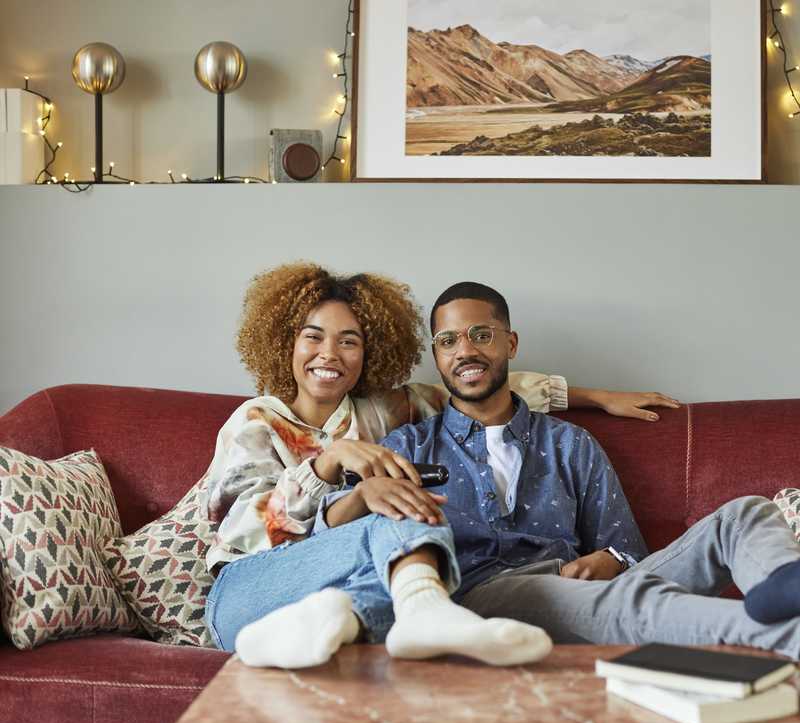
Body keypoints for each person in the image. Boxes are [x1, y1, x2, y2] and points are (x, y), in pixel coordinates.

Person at [329, 281, 800, 670]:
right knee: (629, 599)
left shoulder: (571, 445)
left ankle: (788, 589)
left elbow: (628, 547)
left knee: (746, 512)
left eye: (481, 334)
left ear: (510, 342)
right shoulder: (407, 444)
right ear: (437, 358)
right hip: (487, 594)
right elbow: (368, 538)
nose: (466, 351)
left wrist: (611, 559)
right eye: (449, 341)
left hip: (579, 583)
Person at [202, 263, 679, 669]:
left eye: (349, 342)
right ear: (286, 343)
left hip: (330, 595)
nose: (330, 354)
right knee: (393, 511)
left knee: (392, 524)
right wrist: (328, 464)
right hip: (251, 586)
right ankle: (422, 608)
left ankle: (343, 619)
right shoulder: (254, 422)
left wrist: (598, 397)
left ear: (367, 354)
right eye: (313, 338)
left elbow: (481, 384)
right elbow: (247, 533)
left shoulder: (385, 413)